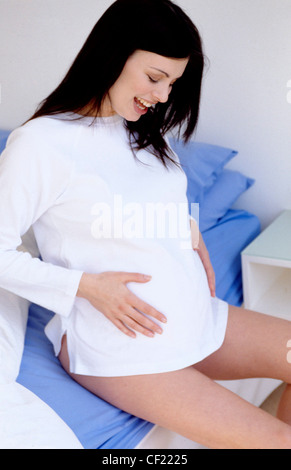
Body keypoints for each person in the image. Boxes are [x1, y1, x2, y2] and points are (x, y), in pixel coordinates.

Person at [1, 0, 291, 449]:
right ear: (112, 55)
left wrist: (188, 232)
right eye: (155, 78)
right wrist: (88, 287)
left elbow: (151, 198)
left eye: (172, 83)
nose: (162, 96)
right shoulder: (40, 144)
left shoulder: (142, 130)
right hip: (121, 350)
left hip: (198, 318)